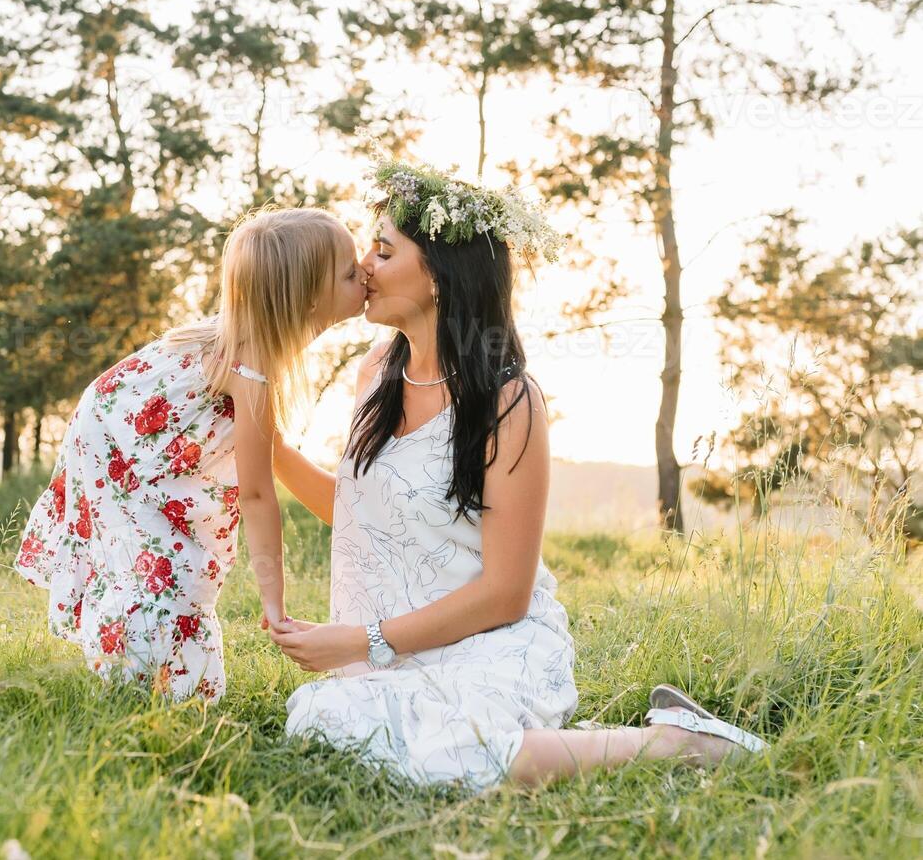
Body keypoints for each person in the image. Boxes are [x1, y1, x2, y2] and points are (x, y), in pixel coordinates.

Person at [268, 159, 769, 789]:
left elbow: (506, 591)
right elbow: (361, 511)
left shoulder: (509, 401)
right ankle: (588, 746)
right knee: (322, 727)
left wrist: (361, 641)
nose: (363, 265)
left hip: (488, 642)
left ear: (440, 277)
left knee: (444, 753)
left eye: (384, 250)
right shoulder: (375, 373)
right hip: (392, 656)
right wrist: (273, 448)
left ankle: (673, 743)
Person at [13, 206, 370, 702]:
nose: (366, 274)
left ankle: (141, 677)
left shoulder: (257, 340)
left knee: (162, 567)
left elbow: (267, 448)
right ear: (308, 298)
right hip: (123, 445)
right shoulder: (255, 361)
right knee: (175, 570)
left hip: (130, 435)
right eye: (351, 273)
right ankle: (157, 688)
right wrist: (275, 602)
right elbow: (257, 492)